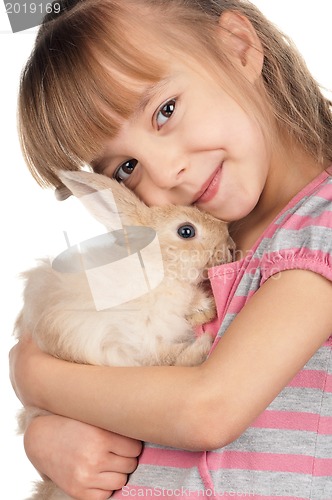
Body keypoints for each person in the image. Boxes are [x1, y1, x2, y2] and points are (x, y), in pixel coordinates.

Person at [10, 0, 332, 499]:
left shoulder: (318, 231)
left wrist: (32, 376)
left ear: (239, 48)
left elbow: (209, 409)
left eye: (165, 110)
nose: (163, 173)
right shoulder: (169, 251)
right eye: (124, 168)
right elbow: (85, 350)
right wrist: (47, 437)